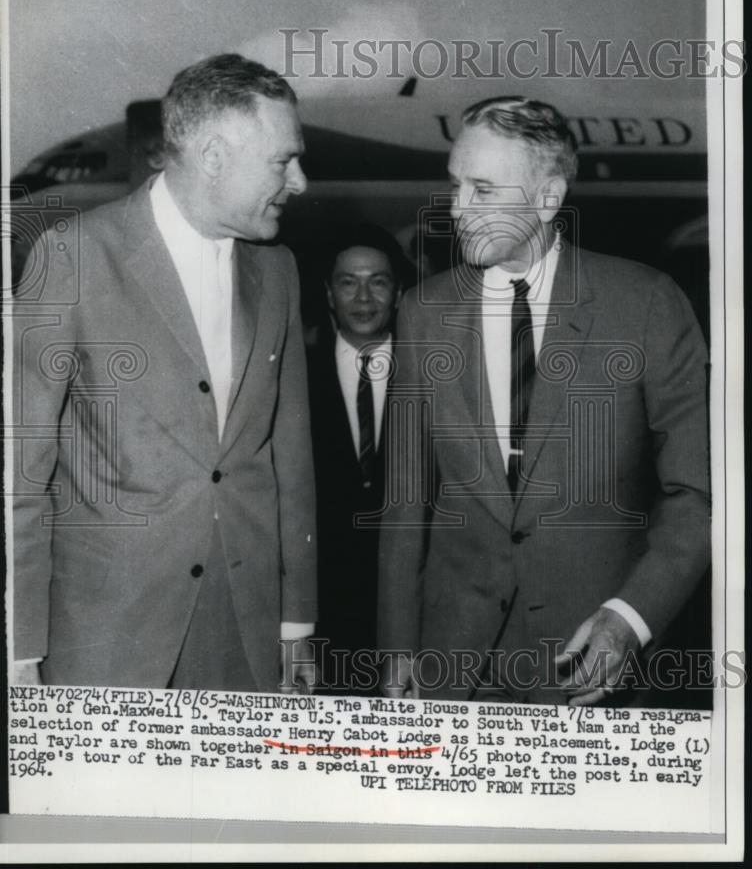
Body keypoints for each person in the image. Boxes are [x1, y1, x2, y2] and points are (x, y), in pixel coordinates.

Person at [378, 96, 711, 705]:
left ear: (548, 197)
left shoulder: (645, 306)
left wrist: (631, 618)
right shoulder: (423, 312)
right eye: (455, 185)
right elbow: (407, 503)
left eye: (482, 190)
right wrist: (398, 647)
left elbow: (697, 494)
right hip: (453, 667)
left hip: (591, 661)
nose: (457, 209)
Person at [12, 53, 317, 691]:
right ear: (212, 155)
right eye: (282, 160)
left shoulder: (282, 271)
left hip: (246, 630)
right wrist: (20, 647)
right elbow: (19, 471)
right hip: (106, 637)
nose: (300, 182)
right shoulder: (71, 256)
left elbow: (291, 459)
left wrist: (296, 624)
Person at [307, 225, 404, 693]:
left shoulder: (435, 376)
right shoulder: (292, 376)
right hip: (323, 627)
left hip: (413, 626)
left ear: (398, 292)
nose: (363, 297)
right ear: (328, 292)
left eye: (378, 281)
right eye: (348, 282)